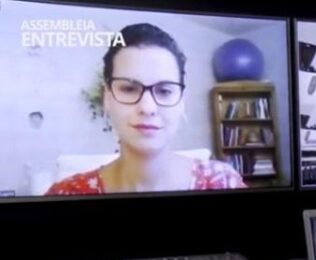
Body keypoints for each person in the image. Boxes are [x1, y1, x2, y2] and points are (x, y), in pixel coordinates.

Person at [46, 23, 245, 195]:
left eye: (164, 91)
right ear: (107, 97)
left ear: (181, 101)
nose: (148, 108)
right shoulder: (67, 193)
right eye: (129, 89)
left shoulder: (223, 183)